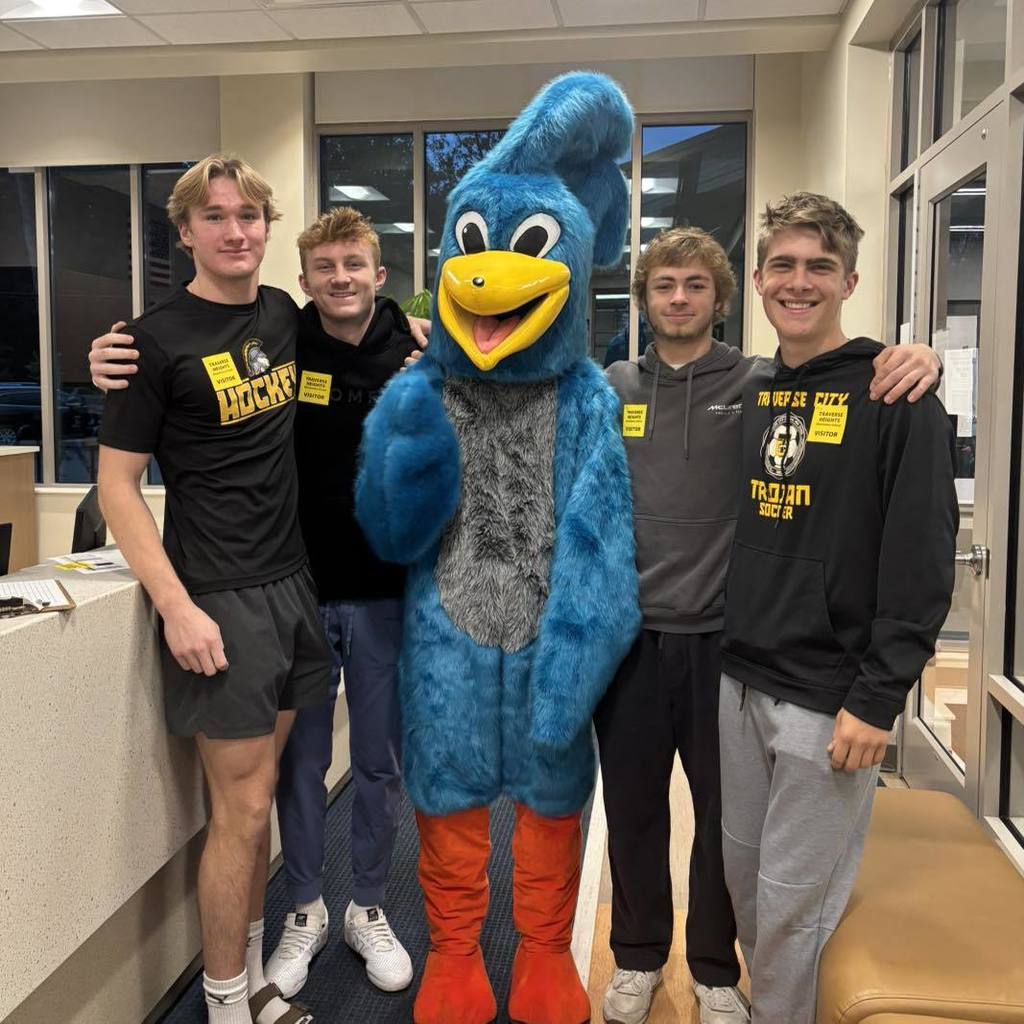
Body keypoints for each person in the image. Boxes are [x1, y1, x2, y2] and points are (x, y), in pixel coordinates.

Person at [598, 225, 942, 1024]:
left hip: (729, 642)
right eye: (662, 285)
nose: (678, 299)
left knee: (728, 828)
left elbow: (842, 374)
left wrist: (914, 354)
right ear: (644, 299)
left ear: (724, 296)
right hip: (632, 644)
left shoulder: (761, 384)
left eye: (694, 285)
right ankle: (637, 956)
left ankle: (717, 968)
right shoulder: (609, 386)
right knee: (634, 811)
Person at [89, 207, 422, 999]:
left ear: (381, 276)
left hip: (383, 593)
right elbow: (178, 352)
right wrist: (103, 358)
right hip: (296, 590)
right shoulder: (280, 332)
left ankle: (368, 906)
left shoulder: (416, 349)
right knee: (297, 770)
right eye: (325, 268)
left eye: (357, 266)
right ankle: (305, 907)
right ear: (301, 283)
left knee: (374, 764)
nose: (341, 279)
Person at [717, 192, 957, 1024]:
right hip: (741, 678)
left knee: (793, 900)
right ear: (757, 280)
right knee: (747, 886)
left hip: (829, 700)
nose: (799, 280)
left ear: (850, 280)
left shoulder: (897, 396)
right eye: (782, 264)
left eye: (819, 266)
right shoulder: (754, 392)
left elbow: (921, 557)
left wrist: (879, 695)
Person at [97, 155, 327, 1024]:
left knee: (258, 797)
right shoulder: (149, 342)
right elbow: (117, 488)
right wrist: (176, 605)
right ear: (186, 230)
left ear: (268, 229)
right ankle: (226, 1003)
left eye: (251, 217)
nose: (237, 232)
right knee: (241, 808)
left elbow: (358, 327)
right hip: (218, 597)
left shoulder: (280, 314)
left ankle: (255, 980)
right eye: (218, 217)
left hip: (292, 584)